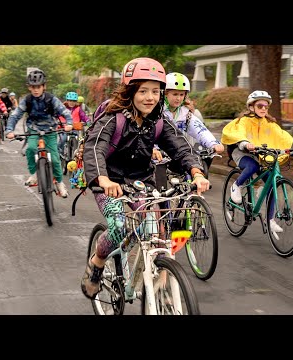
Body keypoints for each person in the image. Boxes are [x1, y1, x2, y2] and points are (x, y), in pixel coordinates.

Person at [79, 57, 210, 299]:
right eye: (143, 91)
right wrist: (103, 179)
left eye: (156, 91)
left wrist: (196, 171)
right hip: (109, 182)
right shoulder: (113, 117)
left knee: (155, 228)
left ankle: (158, 277)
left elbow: (181, 147)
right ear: (130, 91)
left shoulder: (158, 120)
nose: (150, 97)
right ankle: (97, 262)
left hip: (142, 181)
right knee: (118, 226)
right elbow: (94, 147)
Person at [221, 90, 293, 235]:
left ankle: (270, 220)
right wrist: (244, 143)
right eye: (260, 105)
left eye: (266, 106)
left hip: (260, 154)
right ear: (251, 107)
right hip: (242, 152)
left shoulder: (270, 123)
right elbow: (237, 132)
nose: (263, 109)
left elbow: (283, 136)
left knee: (273, 184)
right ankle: (236, 186)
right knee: (252, 166)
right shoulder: (243, 121)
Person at [5, 68, 73, 198]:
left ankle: (59, 183)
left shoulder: (51, 99)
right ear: (29, 87)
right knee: (30, 149)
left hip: (51, 131)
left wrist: (69, 124)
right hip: (34, 131)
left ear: (44, 86)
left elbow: (64, 111)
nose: (36, 89)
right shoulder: (27, 100)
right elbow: (15, 115)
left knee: (54, 159)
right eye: (33, 87)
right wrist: (9, 130)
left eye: (39, 86)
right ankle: (34, 174)